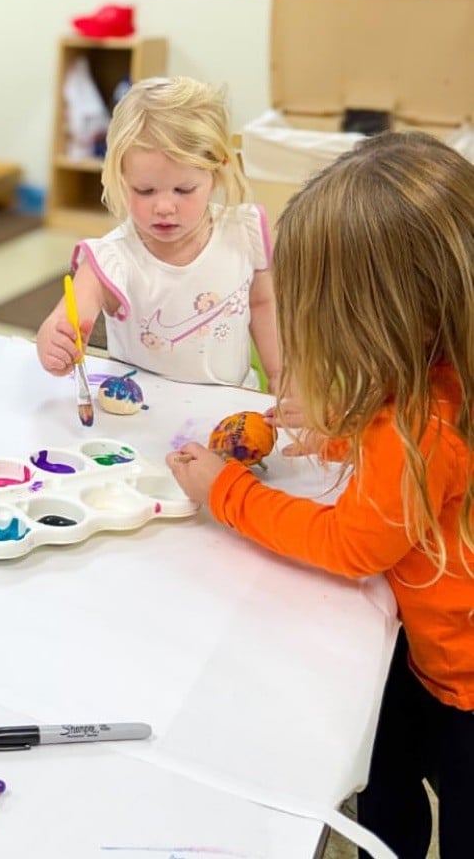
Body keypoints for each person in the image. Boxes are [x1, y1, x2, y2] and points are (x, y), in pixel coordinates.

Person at [166, 133, 474, 859]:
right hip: (423, 653)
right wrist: (341, 428)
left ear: (392, 318)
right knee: (380, 781)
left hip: (459, 689)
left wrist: (228, 492)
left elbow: (350, 542)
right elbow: (402, 448)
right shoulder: (437, 371)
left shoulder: (421, 429)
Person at [36, 76, 279, 391]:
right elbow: (66, 318)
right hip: (142, 415)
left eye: (183, 189)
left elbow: (262, 304)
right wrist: (54, 340)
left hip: (232, 411)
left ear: (216, 172)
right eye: (145, 190)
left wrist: (279, 377)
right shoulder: (112, 258)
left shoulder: (242, 232)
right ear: (121, 177)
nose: (164, 206)